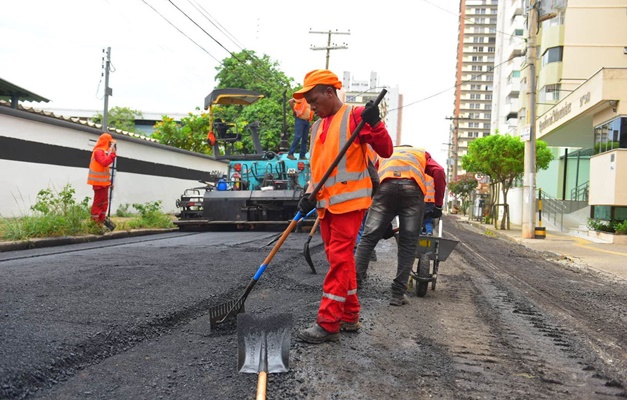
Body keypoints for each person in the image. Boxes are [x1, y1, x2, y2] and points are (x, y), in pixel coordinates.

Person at [294, 69, 393, 344]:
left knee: (338, 261)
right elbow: (319, 170)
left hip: (349, 204)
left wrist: (376, 123)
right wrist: (309, 193)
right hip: (326, 206)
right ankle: (350, 315)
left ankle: (328, 322)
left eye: (314, 99)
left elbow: (386, 150)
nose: (311, 106)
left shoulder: (356, 116)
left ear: (330, 92)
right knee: (342, 261)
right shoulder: (316, 127)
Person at [354, 147, 446, 306]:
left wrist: (382, 221)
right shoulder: (421, 154)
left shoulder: (384, 155)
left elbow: (373, 179)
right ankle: (397, 295)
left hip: (384, 189)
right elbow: (438, 172)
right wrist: (438, 205)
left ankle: (353, 286)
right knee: (408, 244)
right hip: (412, 191)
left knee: (368, 239)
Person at [87, 133, 117, 231]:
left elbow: (104, 170)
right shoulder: (98, 152)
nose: (110, 145)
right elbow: (104, 162)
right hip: (98, 183)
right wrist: (112, 154)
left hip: (104, 184)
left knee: (104, 203)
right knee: (98, 203)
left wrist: (109, 183)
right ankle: (94, 224)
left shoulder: (103, 152)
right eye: (109, 143)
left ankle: (100, 223)